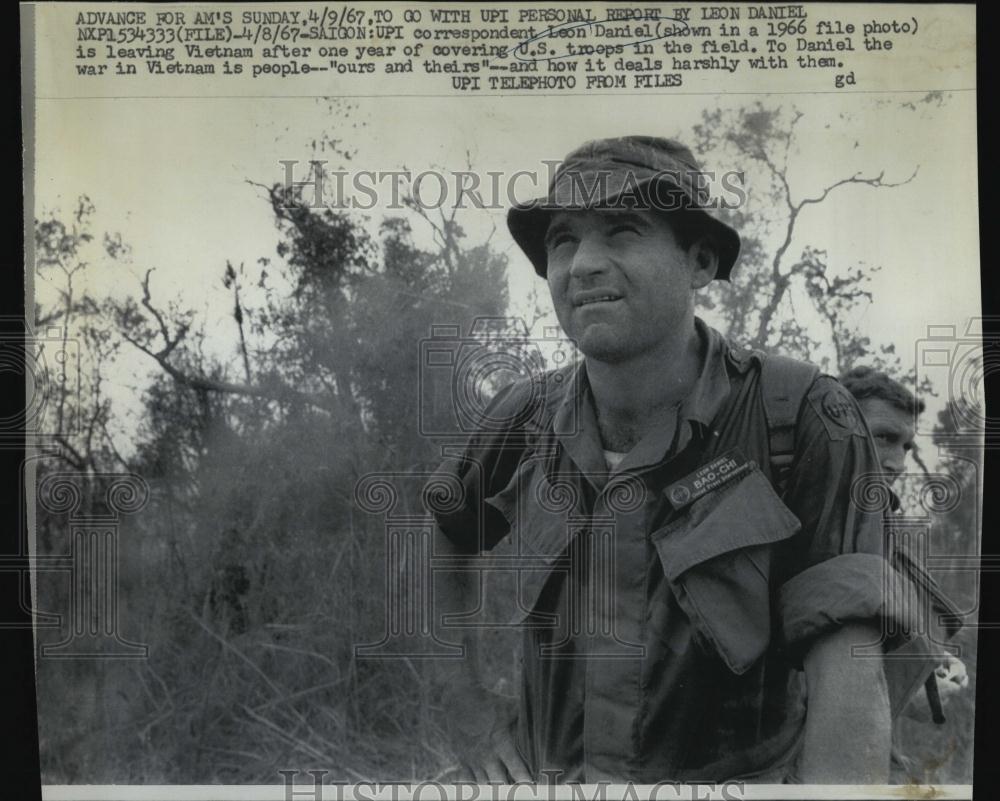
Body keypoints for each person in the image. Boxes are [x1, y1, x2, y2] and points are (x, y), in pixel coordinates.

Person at [430, 136, 926, 784]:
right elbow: (446, 525)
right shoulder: (522, 416)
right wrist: (466, 710)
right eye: (563, 239)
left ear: (699, 260)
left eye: (622, 231)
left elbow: (848, 666)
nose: (583, 264)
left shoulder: (803, 415)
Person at [839, 366, 968, 777]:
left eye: (907, 446)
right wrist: (909, 687)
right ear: (833, 428)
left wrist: (928, 668)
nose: (898, 463)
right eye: (884, 438)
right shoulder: (797, 523)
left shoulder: (875, 523)